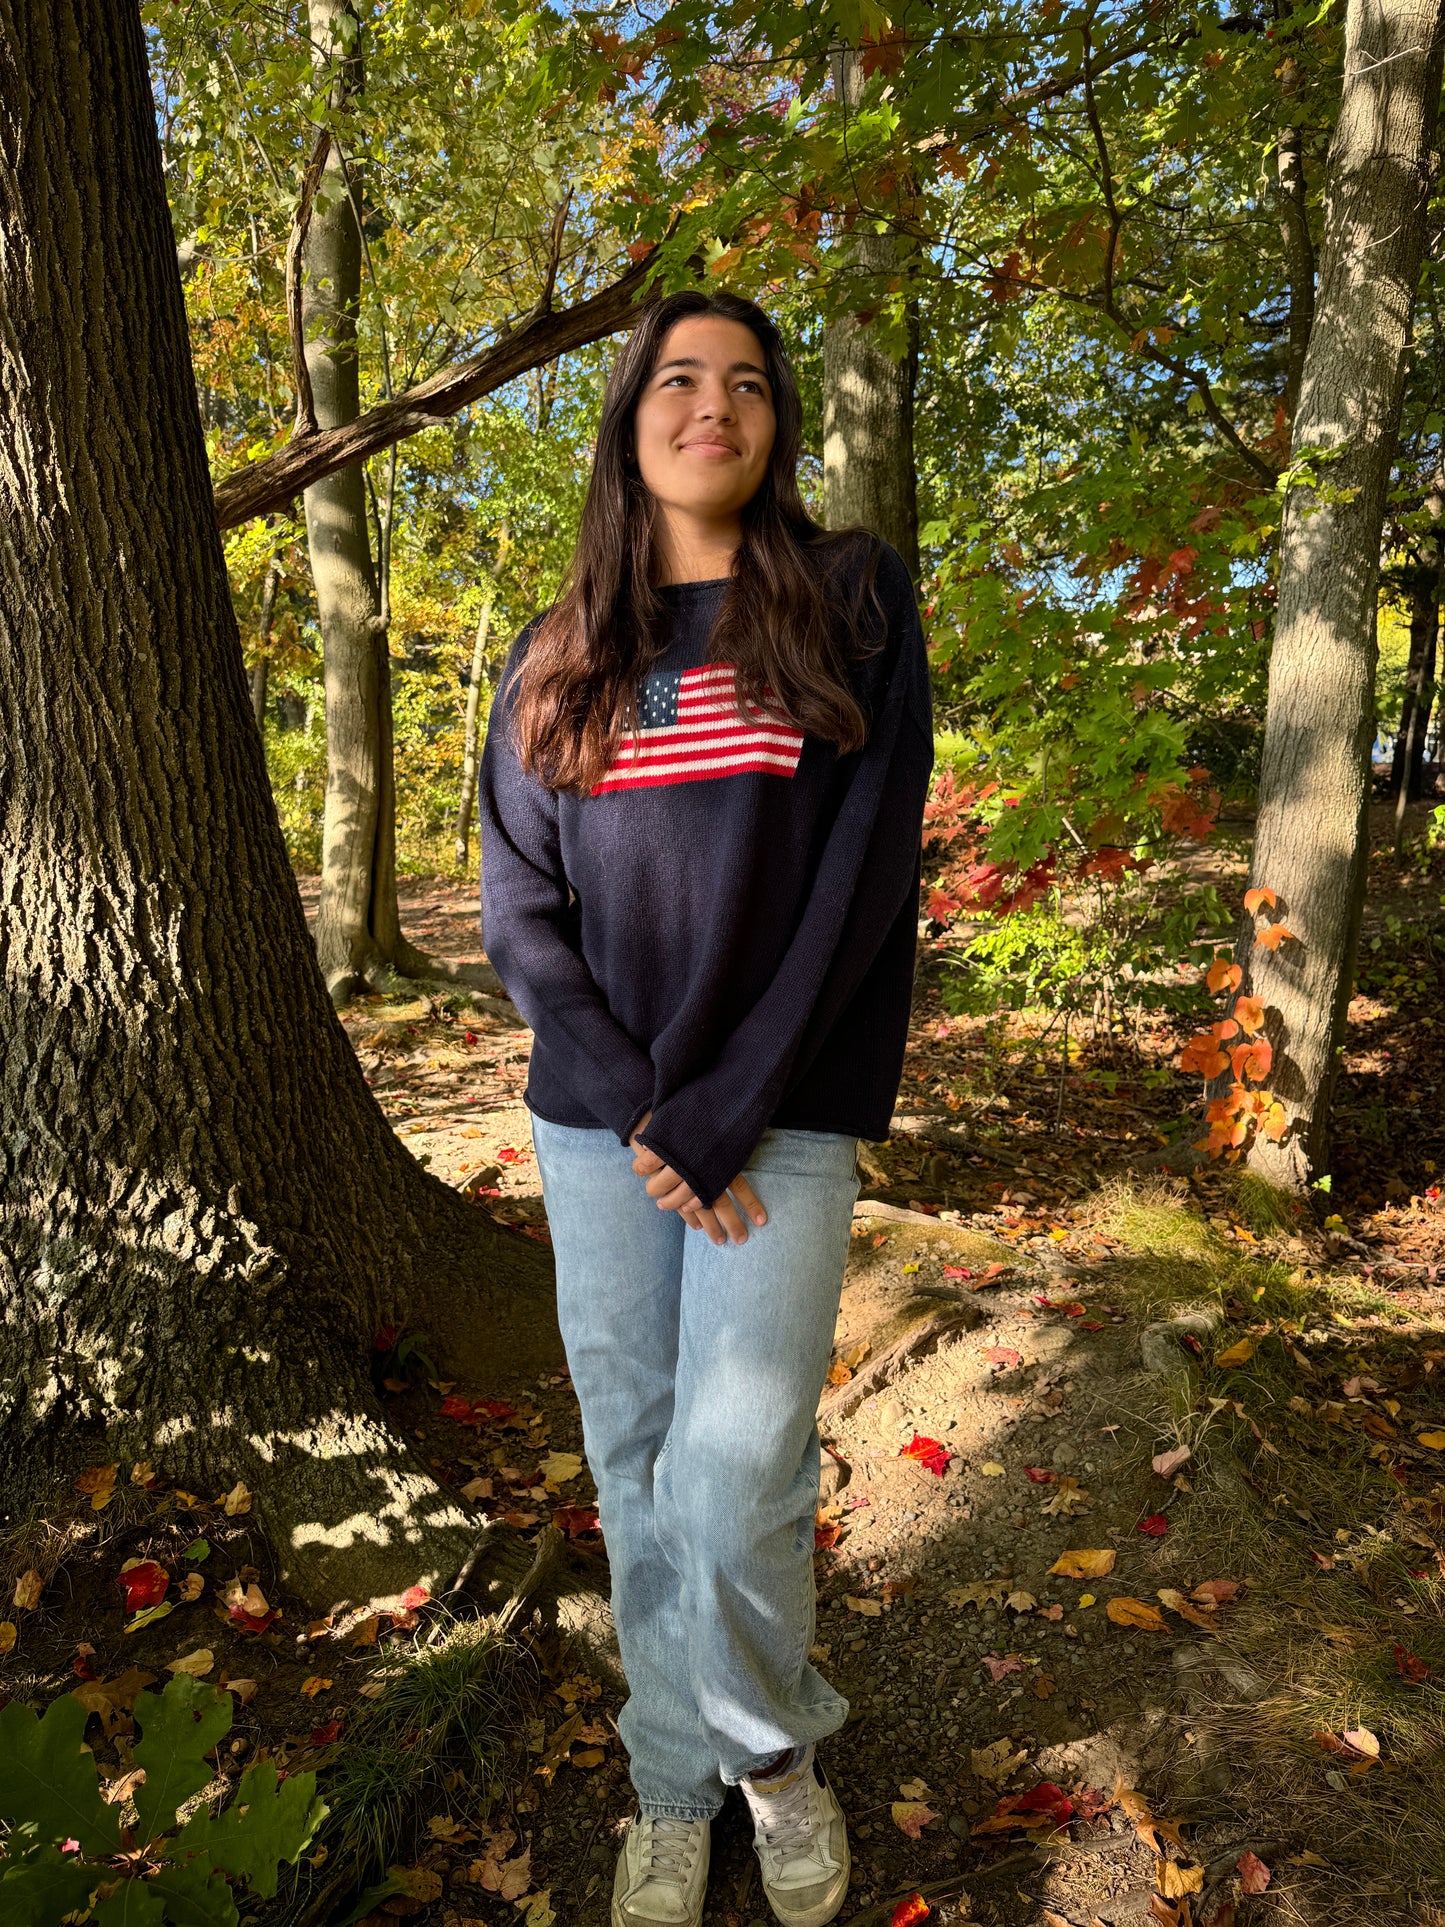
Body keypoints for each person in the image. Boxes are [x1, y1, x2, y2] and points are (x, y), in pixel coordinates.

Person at [479, 288, 932, 1927]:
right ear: (628, 420)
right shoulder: (555, 654)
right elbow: (518, 911)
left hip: (776, 1118)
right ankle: (675, 1776)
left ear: (774, 424)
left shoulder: (849, 598)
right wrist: (632, 1100)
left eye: (746, 383)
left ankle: (771, 1754)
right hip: (602, 1124)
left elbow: (863, 883)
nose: (711, 405)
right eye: (677, 378)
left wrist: (725, 1106)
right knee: (639, 1459)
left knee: (738, 1473)